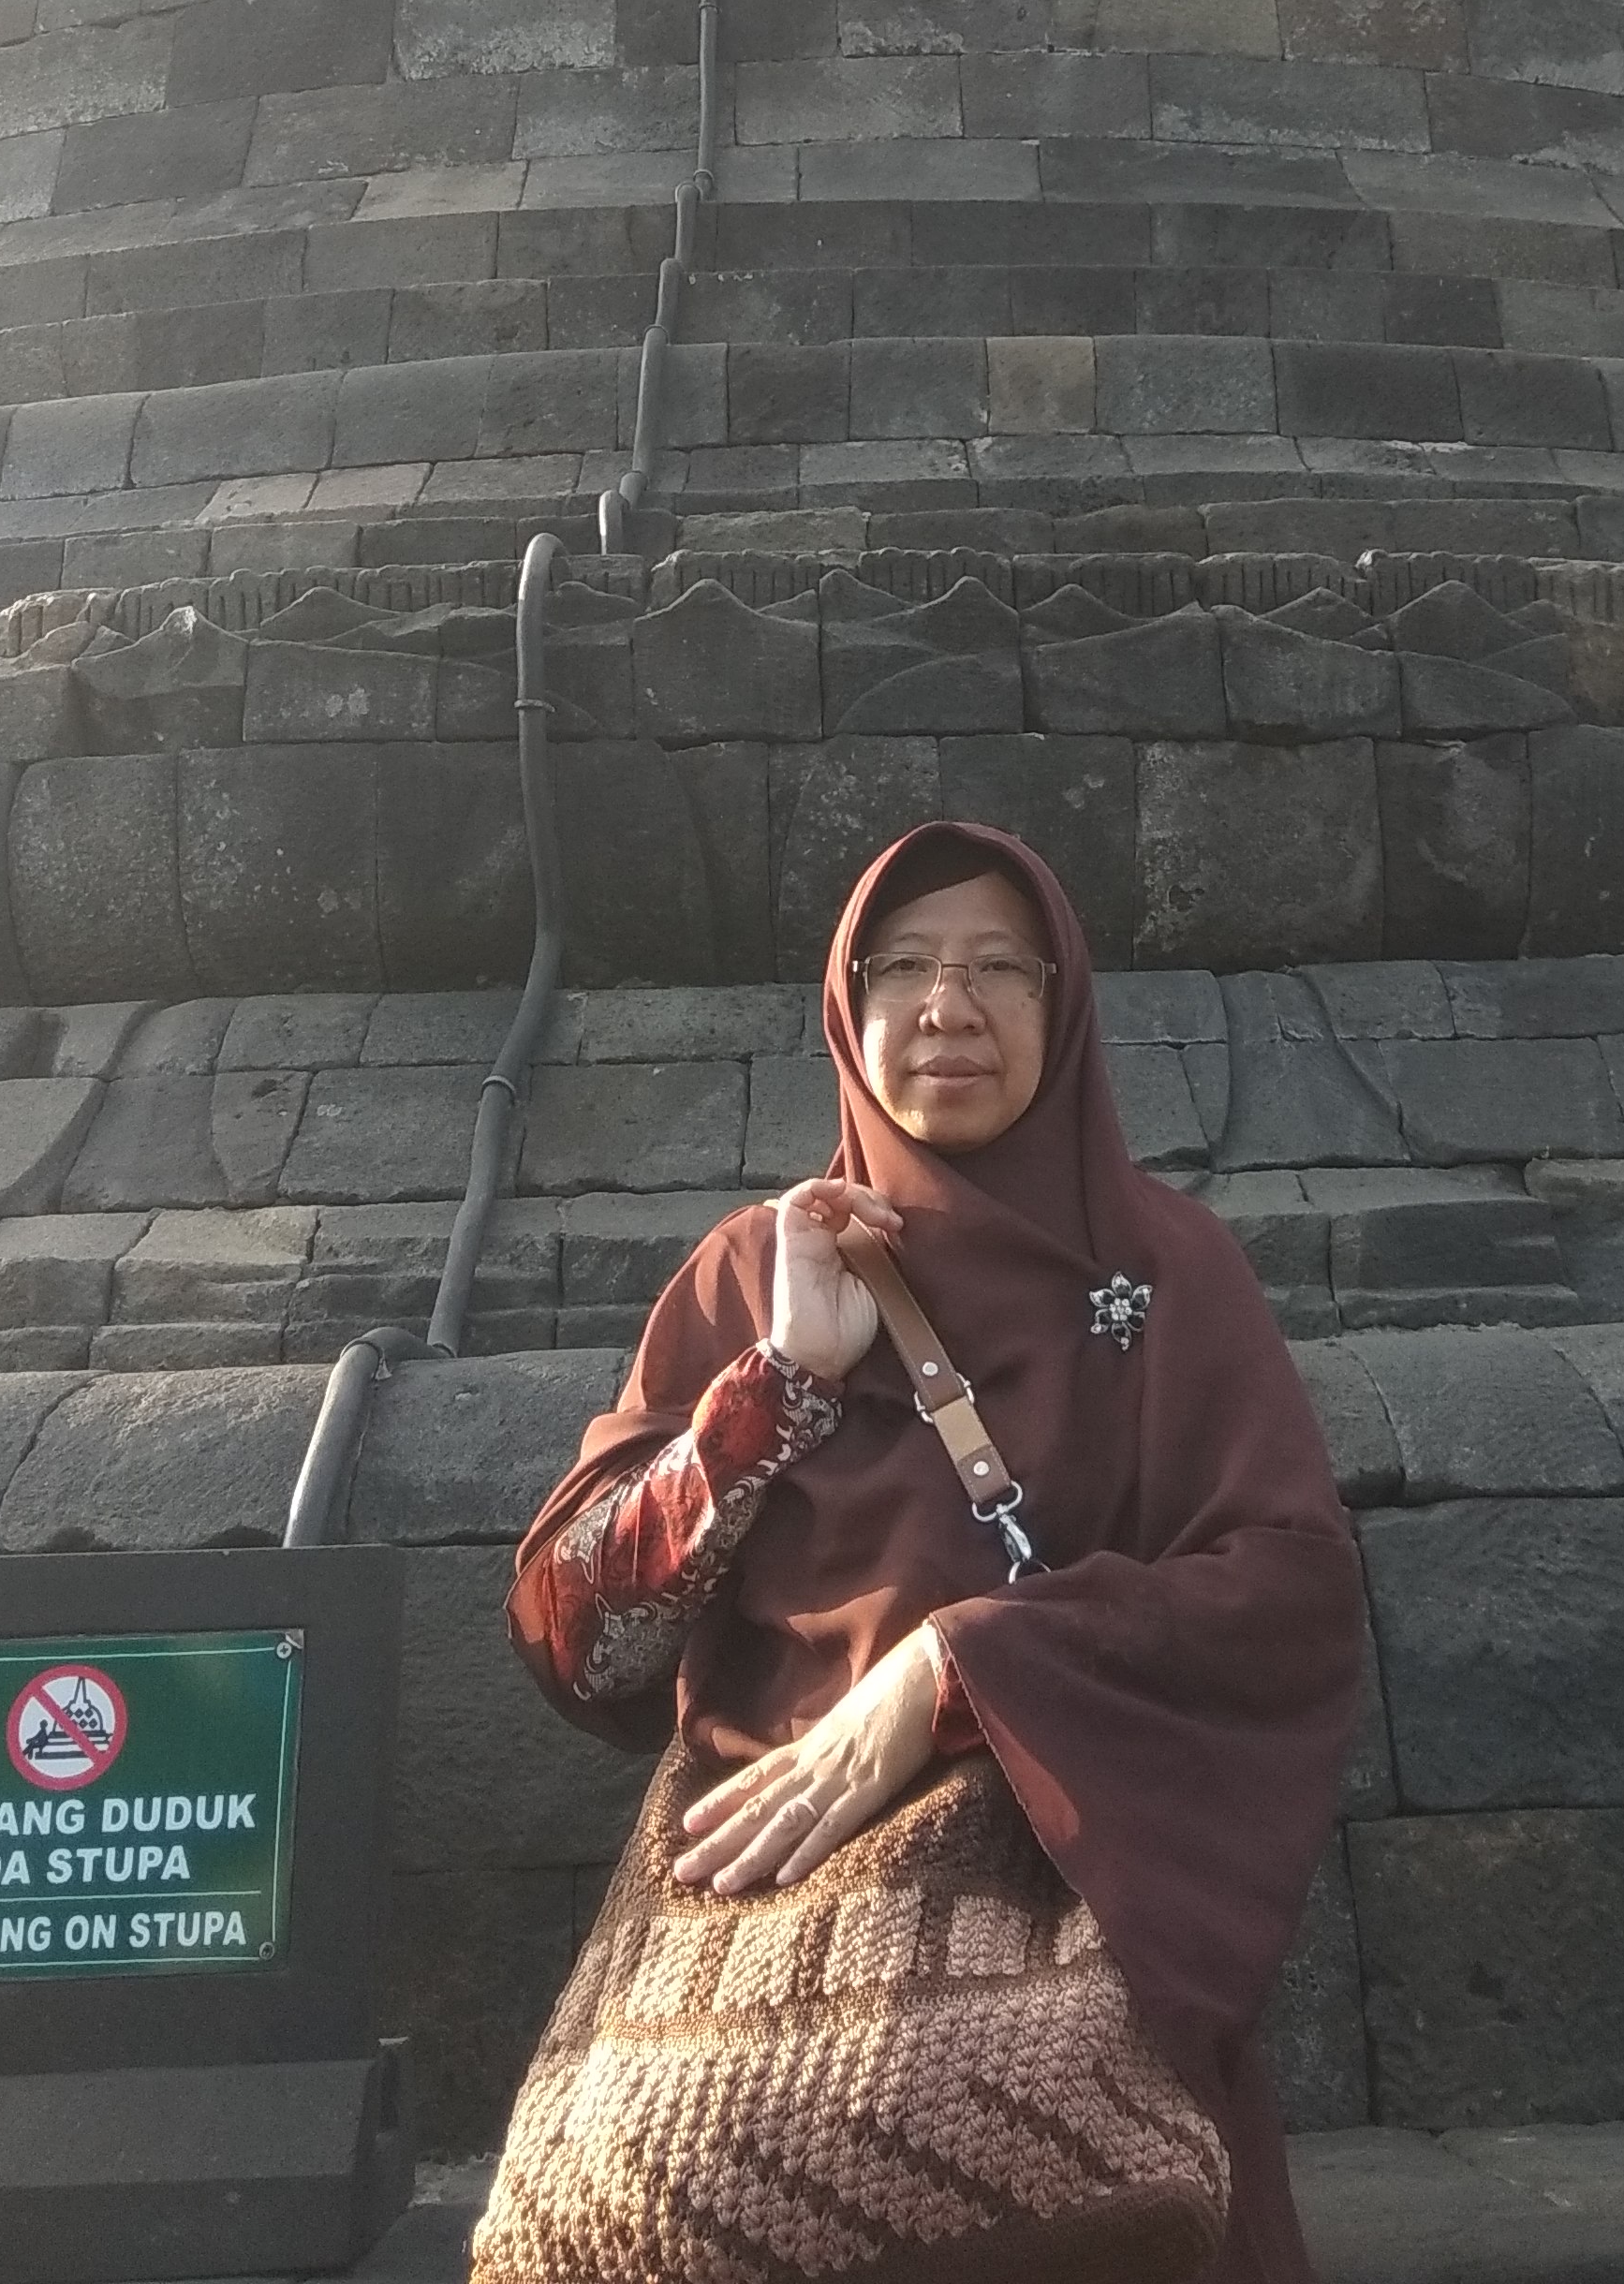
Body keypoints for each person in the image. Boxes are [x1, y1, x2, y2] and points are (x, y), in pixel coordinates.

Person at [501, 818, 1366, 2284]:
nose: (947, 1007)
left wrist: (962, 1671)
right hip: (760, 1922)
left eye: (994, 970)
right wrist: (774, 1385)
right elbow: (581, 1639)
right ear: (848, 1012)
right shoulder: (754, 1270)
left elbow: (1290, 1591)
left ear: (1061, 1001)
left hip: (1063, 1912)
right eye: (900, 966)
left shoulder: (1165, 1275)